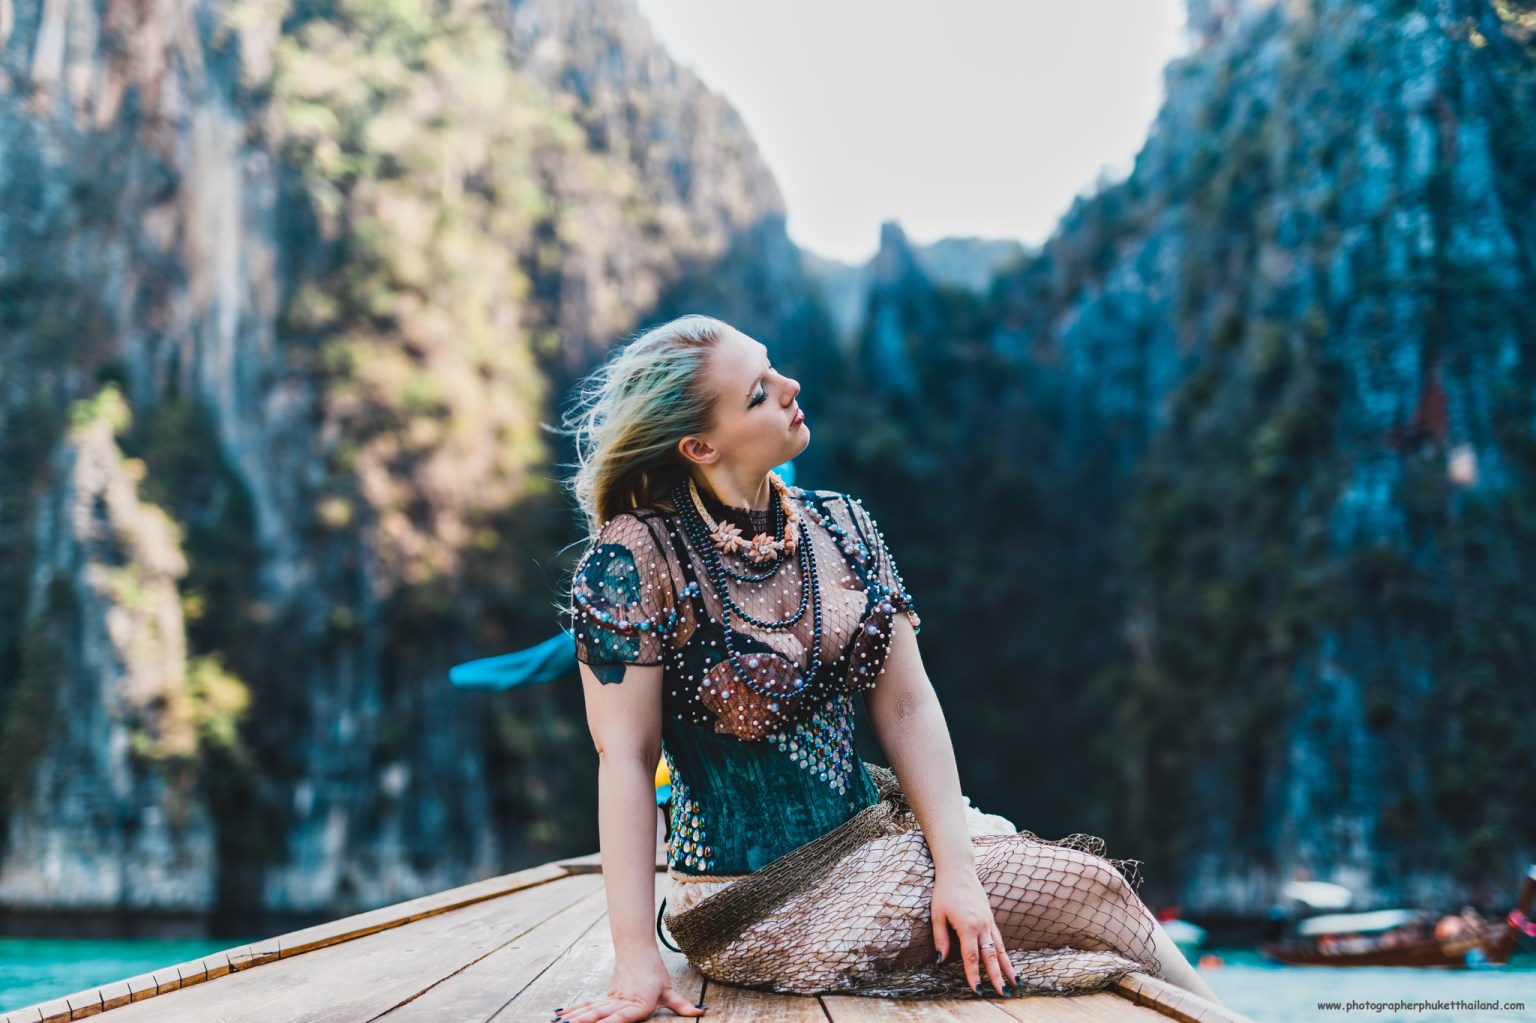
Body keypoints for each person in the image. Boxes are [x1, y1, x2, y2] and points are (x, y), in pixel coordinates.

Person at [549, 314, 1225, 1022]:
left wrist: (957, 873)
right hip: (750, 898)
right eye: (758, 392)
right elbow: (626, 755)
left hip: (870, 832)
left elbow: (907, 706)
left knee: (1083, 896)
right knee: (1094, 890)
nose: (790, 386)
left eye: (773, 367)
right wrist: (635, 961)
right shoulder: (634, 556)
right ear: (699, 444)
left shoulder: (843, 525)